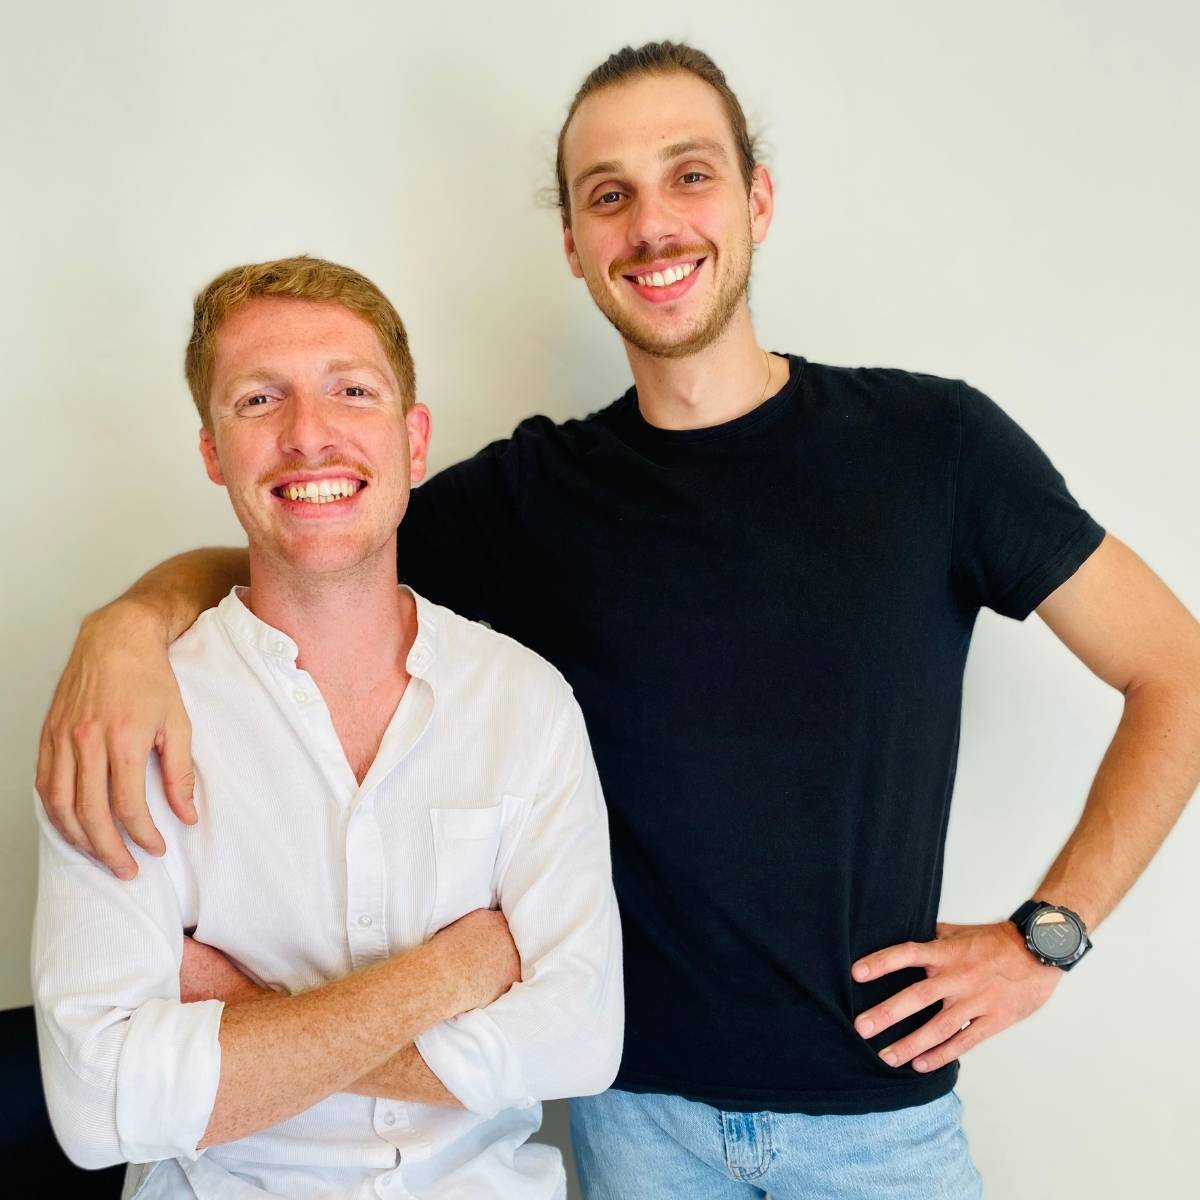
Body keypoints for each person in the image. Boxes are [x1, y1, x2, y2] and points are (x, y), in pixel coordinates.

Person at [38, 41, 1200, 1200]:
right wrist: (128, 628)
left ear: (757, 199)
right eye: (610, 194)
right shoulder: (530, 499)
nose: (652, 224)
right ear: (578, 246)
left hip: (879, 1123)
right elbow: (312, 534)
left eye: (689, 176)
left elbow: (1177, 670)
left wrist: (1049, 936)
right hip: (634, 1128)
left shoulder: (934, 450)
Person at [31, 256, 623, 1200]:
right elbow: (96, 1104)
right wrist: (450, 974)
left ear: (413, 439)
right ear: (214, 452)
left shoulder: (525, 701)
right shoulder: (125, 718)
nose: (310, 435)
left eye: (351, 391)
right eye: (260, 400)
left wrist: (237, 1013)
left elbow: (582, 1041)